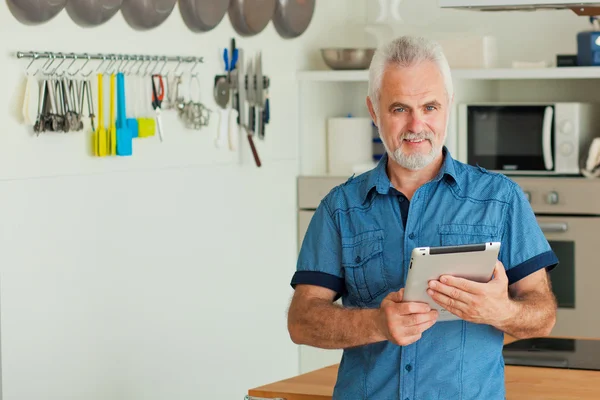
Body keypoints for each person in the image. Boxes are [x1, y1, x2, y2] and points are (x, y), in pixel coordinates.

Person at [287, 35, 559, 400]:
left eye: (430, 107)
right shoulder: (340, 209)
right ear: (374, 110)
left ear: (448, 105)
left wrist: (502, 310)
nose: (417, 125)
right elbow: (302, 321)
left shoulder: (501, 199)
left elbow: (543, 315)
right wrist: (376, 324)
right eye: (400, 109)